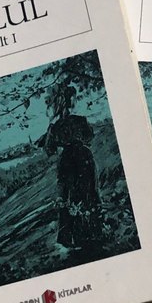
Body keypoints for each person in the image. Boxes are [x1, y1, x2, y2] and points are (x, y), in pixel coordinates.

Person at [38, 81, 101, 248]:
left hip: (68, 160)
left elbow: (49, 149)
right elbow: (89, 137)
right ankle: (88, 233)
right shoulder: (80, 120)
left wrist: (57, 136)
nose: (75, 101)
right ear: (71, 100)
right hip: (82, 159)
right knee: (85, 192)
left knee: (68, 194)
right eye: (75, 98)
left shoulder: (57, 124)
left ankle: (69, 237)